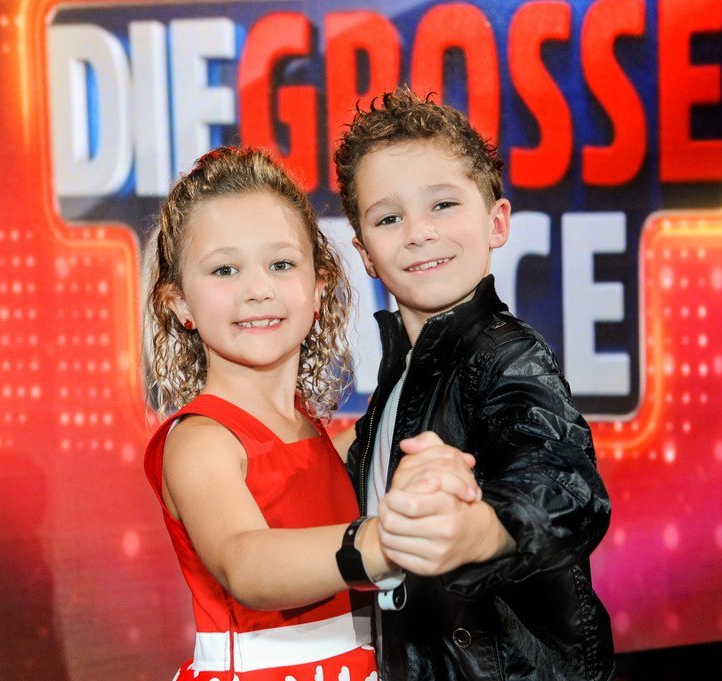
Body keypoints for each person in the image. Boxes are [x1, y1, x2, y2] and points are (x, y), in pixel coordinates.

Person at [141, 147, 480, 681]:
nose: (258, 290)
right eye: (225, 269)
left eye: (281, 264)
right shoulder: (200, 440)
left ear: (319, 287)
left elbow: (377, 446)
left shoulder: (315, 437)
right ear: (179, 302)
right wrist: (379, 542)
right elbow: (246, 562)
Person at [332, 86, 616, 681]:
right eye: (389, 218)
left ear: (496, 221)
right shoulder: (404, 374)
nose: (418, 232)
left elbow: (564, 482)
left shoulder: (506, 357)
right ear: (364, 252)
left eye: (443, 204)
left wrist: (480, 531)